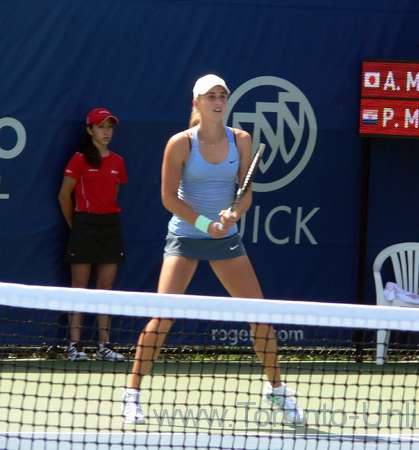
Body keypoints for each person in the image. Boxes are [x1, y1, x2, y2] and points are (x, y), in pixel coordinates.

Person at [121, 75, 305, 425]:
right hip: (186, 238)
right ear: (197, 103)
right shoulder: (179, 144)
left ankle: (276, 389)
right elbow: (168, 198)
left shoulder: (242, 140)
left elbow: (246, 191)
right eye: (210, 96)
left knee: (260, 317)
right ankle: (131, 395)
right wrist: (206, 223)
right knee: (162, 319)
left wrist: (234, 213)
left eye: (222, 96)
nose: (217, 101)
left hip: (227, 240)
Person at [58, 107, 128, 362]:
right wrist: (75, 225)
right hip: (84, 226)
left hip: (110, 226)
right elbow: (64, 196)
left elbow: (113, 196)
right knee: (79, 288)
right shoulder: (79, 159)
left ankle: (104, 345)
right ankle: (75, 345)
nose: (106, 131)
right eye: (101, 127)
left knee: (105, 288)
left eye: (109, 127)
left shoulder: (118, 162)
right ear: (89, 130)